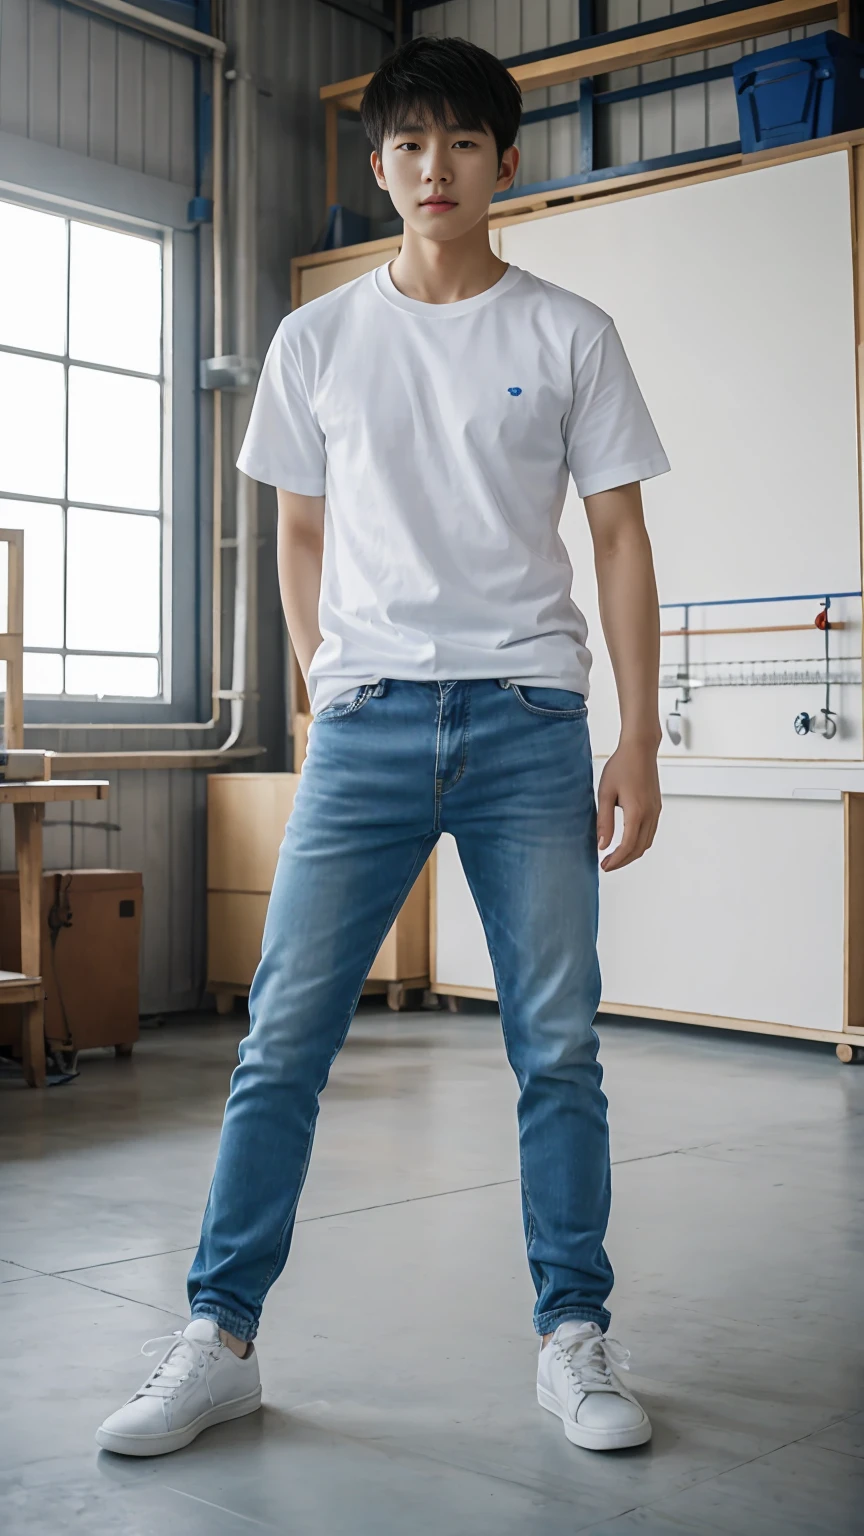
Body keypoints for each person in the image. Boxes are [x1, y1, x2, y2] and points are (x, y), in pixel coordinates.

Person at [96, 34, 669, 1460]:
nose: (434, 168)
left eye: (463, 143)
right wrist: (320, 688)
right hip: (365, 724)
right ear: (378, 167)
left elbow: (618, 539)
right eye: (409, 145)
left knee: (557, 1049)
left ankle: (573, 1339)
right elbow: (296, 528)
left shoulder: (569, 332)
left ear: (504, 163)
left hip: (532, 719)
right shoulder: (319, 339)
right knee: (280, 1043)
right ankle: (218, 1340)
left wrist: (641, 735)